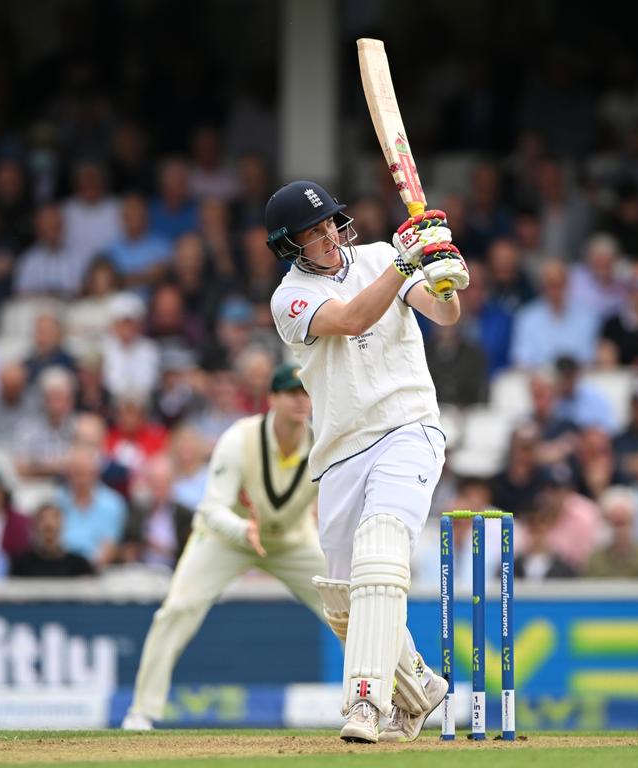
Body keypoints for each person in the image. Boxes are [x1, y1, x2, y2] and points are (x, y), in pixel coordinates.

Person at [266, 180, 469, 743]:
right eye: (313, 231)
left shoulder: (380, 257)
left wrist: (443, 275)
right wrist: (408, 262)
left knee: (382, 550)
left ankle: (365, 704)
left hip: (408, 428)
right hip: (338, 452)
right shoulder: (290, 298)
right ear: (291, 245)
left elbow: (444, 315)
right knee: (342, 599)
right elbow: (354, 318)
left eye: (331, 222)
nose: (329, 234)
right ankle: (421, 687)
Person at [122, 365, 323, 730]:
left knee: (349, 611)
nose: (301, 400)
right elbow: (211, 508)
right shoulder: (238, 439)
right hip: (225, 537)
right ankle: (142, 712)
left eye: (307, 391)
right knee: (177, 610)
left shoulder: (323, 441)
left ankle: (387, 700)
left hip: (293, 540)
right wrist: (241, 529)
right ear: (272, 399)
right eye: (292, 392)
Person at [10, 503, 96, 578]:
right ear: (35, 526)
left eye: (54, 518)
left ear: (62, 525)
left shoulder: (79, 565)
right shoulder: (21, 564)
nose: (49, 523)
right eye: (42, 519)